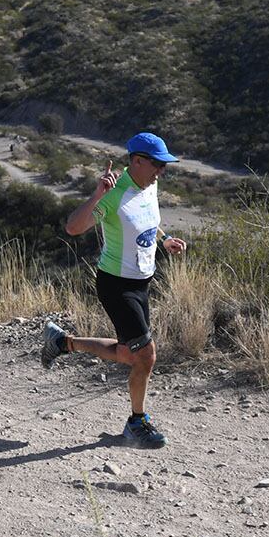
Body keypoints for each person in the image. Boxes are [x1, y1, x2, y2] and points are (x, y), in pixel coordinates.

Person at [41, 132, 187, 449]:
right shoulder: (112, 194)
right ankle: (137, 423)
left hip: (143, 282)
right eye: (157, 164)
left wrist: (165, 240)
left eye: (164, 166)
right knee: (146, 356)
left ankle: (62, 342)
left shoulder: (151, 185)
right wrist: (96, 195)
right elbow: (73, 227)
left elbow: (147, 219)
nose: (162, 171)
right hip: (116, 284)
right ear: (136, 161)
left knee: (127, 353)